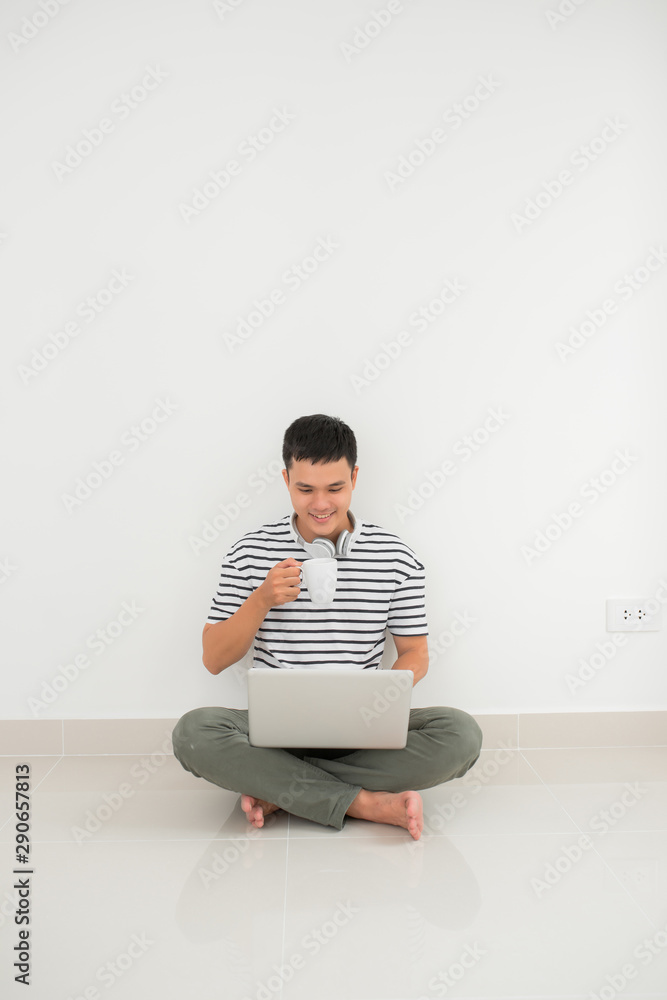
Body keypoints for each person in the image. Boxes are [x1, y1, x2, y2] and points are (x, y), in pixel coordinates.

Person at [171, 414, 482, 840]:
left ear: (354, 477)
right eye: (305, 489)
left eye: (335, 488)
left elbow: (415, 652)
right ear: (286, 480)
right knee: (193, 733)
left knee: (461, 735)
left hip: (363, 727)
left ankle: (282, 788)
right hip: (274, 732)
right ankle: (363, 802)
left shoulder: (397, 557)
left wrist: (384, 700)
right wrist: (261, 599)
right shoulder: (249, 551)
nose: (321, 504)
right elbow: (213, 659)